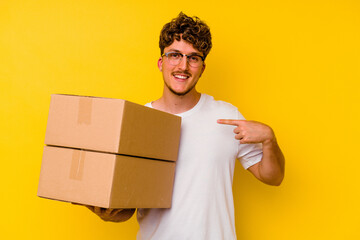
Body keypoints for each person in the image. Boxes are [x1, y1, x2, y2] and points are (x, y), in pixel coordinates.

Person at [86, 12, 285, 239]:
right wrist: (109, 212)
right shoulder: (136, 122)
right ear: (161, 62)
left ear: (202, 67)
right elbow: (127, 206)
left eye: (193, 58)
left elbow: (273, 177)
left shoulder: (227, 116)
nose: (183, 66)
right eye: (174, 55)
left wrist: (270, 140)